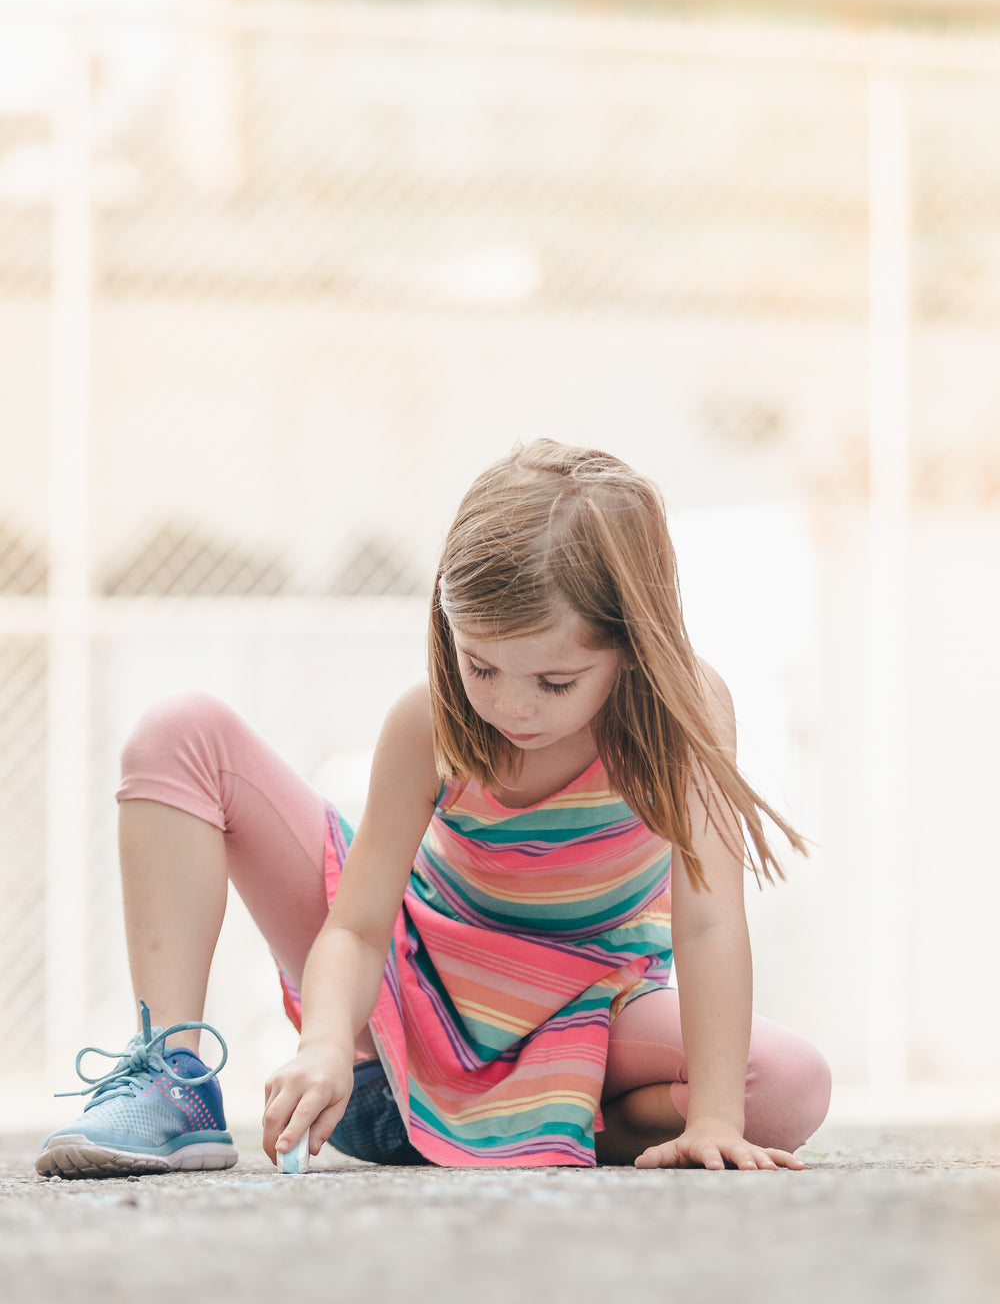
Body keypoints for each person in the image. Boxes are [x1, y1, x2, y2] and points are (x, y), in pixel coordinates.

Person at [36, 440, 831, 1179]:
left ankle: (517, 1124)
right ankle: (173, 1086)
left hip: (583, 1020)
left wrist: (717, 1119)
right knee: (182, 730)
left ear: (632, 644)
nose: (510, 707)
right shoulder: (430, 721)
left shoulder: (681, 711)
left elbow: (709, 923)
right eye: (481, 666)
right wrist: (320, 1045)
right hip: (387, 1046)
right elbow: (356, 924)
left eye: (555, 682)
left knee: (786, 1088)